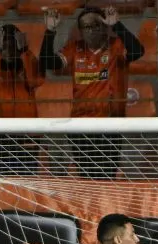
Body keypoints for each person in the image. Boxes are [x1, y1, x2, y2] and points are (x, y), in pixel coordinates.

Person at [39, 6, 144, 178]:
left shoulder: (116, 46)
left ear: (104, 26)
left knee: (106, 178)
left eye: (96, 24)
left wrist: (117, 25)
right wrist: (50, 31)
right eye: (87, 27)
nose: (92, 30)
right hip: (80, 125)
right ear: (80, 31)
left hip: (110, 125)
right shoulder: (74, 48)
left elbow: (137, 51)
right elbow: (48, 63)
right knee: (86, 178)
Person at [0, 24, 43, 174]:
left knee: (25, 187)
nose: (8, 51)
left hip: (26, 139)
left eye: (13, 46)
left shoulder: (27, 64)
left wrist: (24, 51)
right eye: (3, 47)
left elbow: (36, 80)